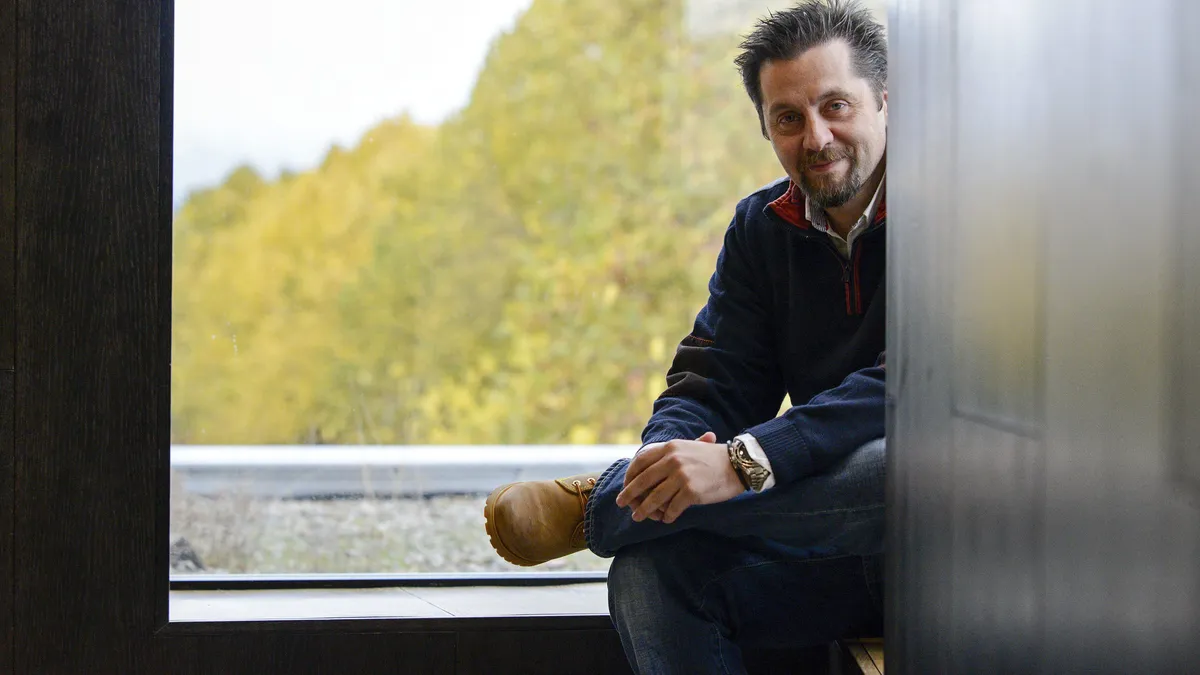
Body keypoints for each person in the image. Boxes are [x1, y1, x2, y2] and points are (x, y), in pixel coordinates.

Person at [484, 1, 888, 671]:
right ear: (766, 129)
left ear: (883, 100)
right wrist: (666, 457)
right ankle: (635, 494)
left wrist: (743, 462)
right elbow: (716, 378)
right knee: (651, 572)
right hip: (836, 556)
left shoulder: (955, 209)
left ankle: (602, 510)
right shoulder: (762, 227)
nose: (816, 137)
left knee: (897, 463)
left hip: (959, 553)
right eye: (788, 118)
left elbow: (909, 386)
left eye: (835, 106)